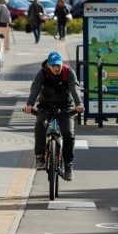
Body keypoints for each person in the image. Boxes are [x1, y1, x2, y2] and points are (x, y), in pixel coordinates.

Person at [23, 51, 84, 181]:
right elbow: (35, 88)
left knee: (68, 133)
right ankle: (40, 156)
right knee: (40, 125)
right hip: (46, 106)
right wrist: (30, 104)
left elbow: (74, 88)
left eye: (58, 65)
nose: (57, 68)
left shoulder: (68, 72)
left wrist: (78, 104)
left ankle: (68, 165)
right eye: (54, 65)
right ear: (48, 66)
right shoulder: (42, 73)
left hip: (65, 107)